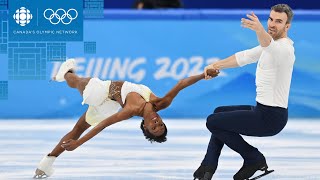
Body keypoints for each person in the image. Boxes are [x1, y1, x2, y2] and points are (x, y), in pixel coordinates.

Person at [33, 59, 219, 179]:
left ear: (145, 127)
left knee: (88, 97)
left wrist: (78, 143)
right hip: (108, 97)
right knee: (84, 97)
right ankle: (65, 75)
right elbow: (181, 84)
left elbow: (103, 124)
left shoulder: (131, 110)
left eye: (154, 127)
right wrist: (203, 76)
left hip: (105, 99)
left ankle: (46, 163)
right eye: (161, 124)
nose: (156, 122)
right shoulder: (161, 103)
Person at [193, 4, 295, 180]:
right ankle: (207, 167)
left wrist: (259, 30)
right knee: (219, 113)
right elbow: (243, 57)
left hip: (271, 118)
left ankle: (253, 158)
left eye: (279, 21)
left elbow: (268, 44)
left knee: (213, 122)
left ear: (287, 26)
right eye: (271, 19)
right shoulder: (269, 47)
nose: (272, 24)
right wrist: (214, 66)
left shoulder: (284, 49)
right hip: (262, 111)